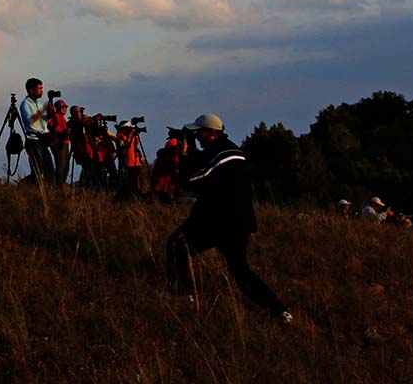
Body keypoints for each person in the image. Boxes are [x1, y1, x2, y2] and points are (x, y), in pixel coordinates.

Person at [165, 113, 291, 323]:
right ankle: (279, 310)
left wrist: (185, 155)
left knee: (178, 244)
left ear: (212, 133)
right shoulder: (230, 151)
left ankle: (181, 295)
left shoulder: (220, 155)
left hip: (219, 220)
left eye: (199, 132)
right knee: (240, 271)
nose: (196, 137)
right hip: (237, 221)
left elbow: (189, 180)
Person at [19, 78, 56, 186]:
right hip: (33, 140)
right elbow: (30, 120)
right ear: (31, 90)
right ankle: (25, 186)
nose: (41, 91)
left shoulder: (38, 103)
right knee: (38, 170)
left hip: (43, 139)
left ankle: (51, 192)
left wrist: (49, 111)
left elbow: (44, 120)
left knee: (49, 169)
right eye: (39, 88)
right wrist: (43, 109)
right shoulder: (25, 104)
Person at [115, 121, 144, 196]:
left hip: (135, 160)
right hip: (127, 160)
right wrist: (131, 134)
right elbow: (128, 143)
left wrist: (136, 135)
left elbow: (136, 142)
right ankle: (131, 193)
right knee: (130, 178)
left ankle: (138, 192)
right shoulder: (120, 135)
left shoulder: (129, 135)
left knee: (137, 178)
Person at [48, 99, 71, 187]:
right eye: (63, 107)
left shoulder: (62, 118)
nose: (65, 109)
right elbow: (51, 125)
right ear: (59, 108)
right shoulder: (56, 116)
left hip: (64, 143)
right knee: (61, 166)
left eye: (65, 107)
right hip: (58, 143)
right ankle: (59, 185)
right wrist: (63, 131)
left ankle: (61, 184)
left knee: (65, 166)